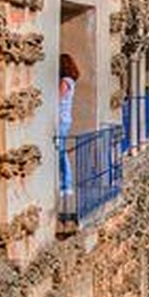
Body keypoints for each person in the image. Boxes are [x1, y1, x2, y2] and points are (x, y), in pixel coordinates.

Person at [58, 54, 79, 199]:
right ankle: (65, 183)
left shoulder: (65, 81)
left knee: (61, 151)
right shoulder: (71, 81)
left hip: (61, 119)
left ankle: (66, 184)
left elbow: (58, 99)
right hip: (66, 119)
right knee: (61, 150)